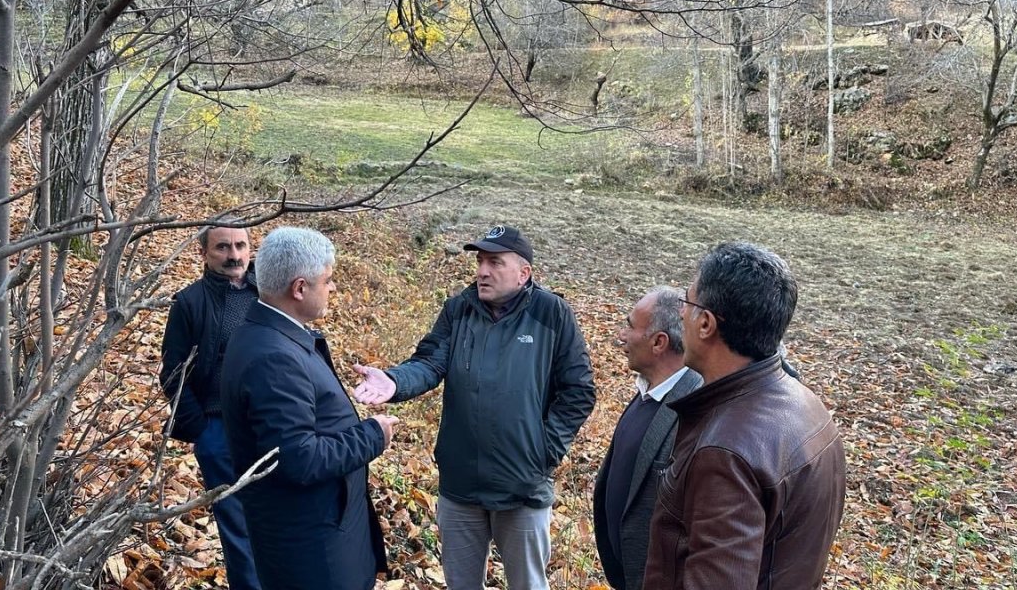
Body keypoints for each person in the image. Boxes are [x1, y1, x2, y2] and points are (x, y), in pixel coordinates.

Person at [352, 224, 596, 590]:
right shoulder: (459, 308)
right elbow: (430, 363)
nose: (482, 270)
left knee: (528, 584)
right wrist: (395, 381)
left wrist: (543, 450)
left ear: (523, 272)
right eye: (480, 261)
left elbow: (579, 390)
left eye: (494, 262)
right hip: (461, 484)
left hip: (522, 487)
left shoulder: (552, 314)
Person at [643, 242, 846, 588]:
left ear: (706, 323)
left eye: (686, 303)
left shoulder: (726, 452)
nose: (679, 313)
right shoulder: (808, 404)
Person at [220, 226, 398, 590]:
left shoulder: (270, 334)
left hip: (322, 535)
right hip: (313, 552)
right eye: (327, 280)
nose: (332, 288)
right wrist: (373, 435)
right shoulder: (273, 357)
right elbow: (298, 458)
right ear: (300, 288)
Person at [158, 224, 262, 590]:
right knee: (237, 526)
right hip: (219, 430)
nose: (234, 255)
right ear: (203, 253)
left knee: (282, 520)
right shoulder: (189, 303)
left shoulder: (269, 294)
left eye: (240, 246)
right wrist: (202, 431)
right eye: (222, 247)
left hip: (274, 424)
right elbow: (173, 373)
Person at [593, 287, 703, 590]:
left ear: (659, 342)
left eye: (630, 326)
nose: (621, 335)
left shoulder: (693, 410)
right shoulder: (648, 391)